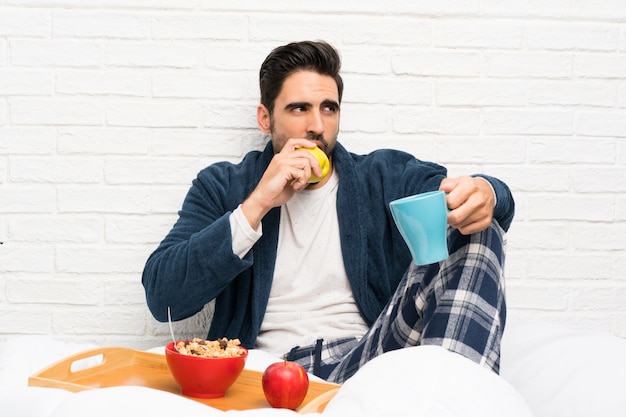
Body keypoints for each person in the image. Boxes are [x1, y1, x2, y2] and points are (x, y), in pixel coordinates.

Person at [142, 40, 515, 384]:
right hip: (269, 372)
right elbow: (164, 298)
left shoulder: (381, 176)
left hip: (368, 357)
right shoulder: (224, 186)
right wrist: (256, 205)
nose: (317, 126)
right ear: (265, 118)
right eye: (299, 109)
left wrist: (487, 192)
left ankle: (454, 398)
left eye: (328, 109)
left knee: (479, 225)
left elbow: (468, 199)